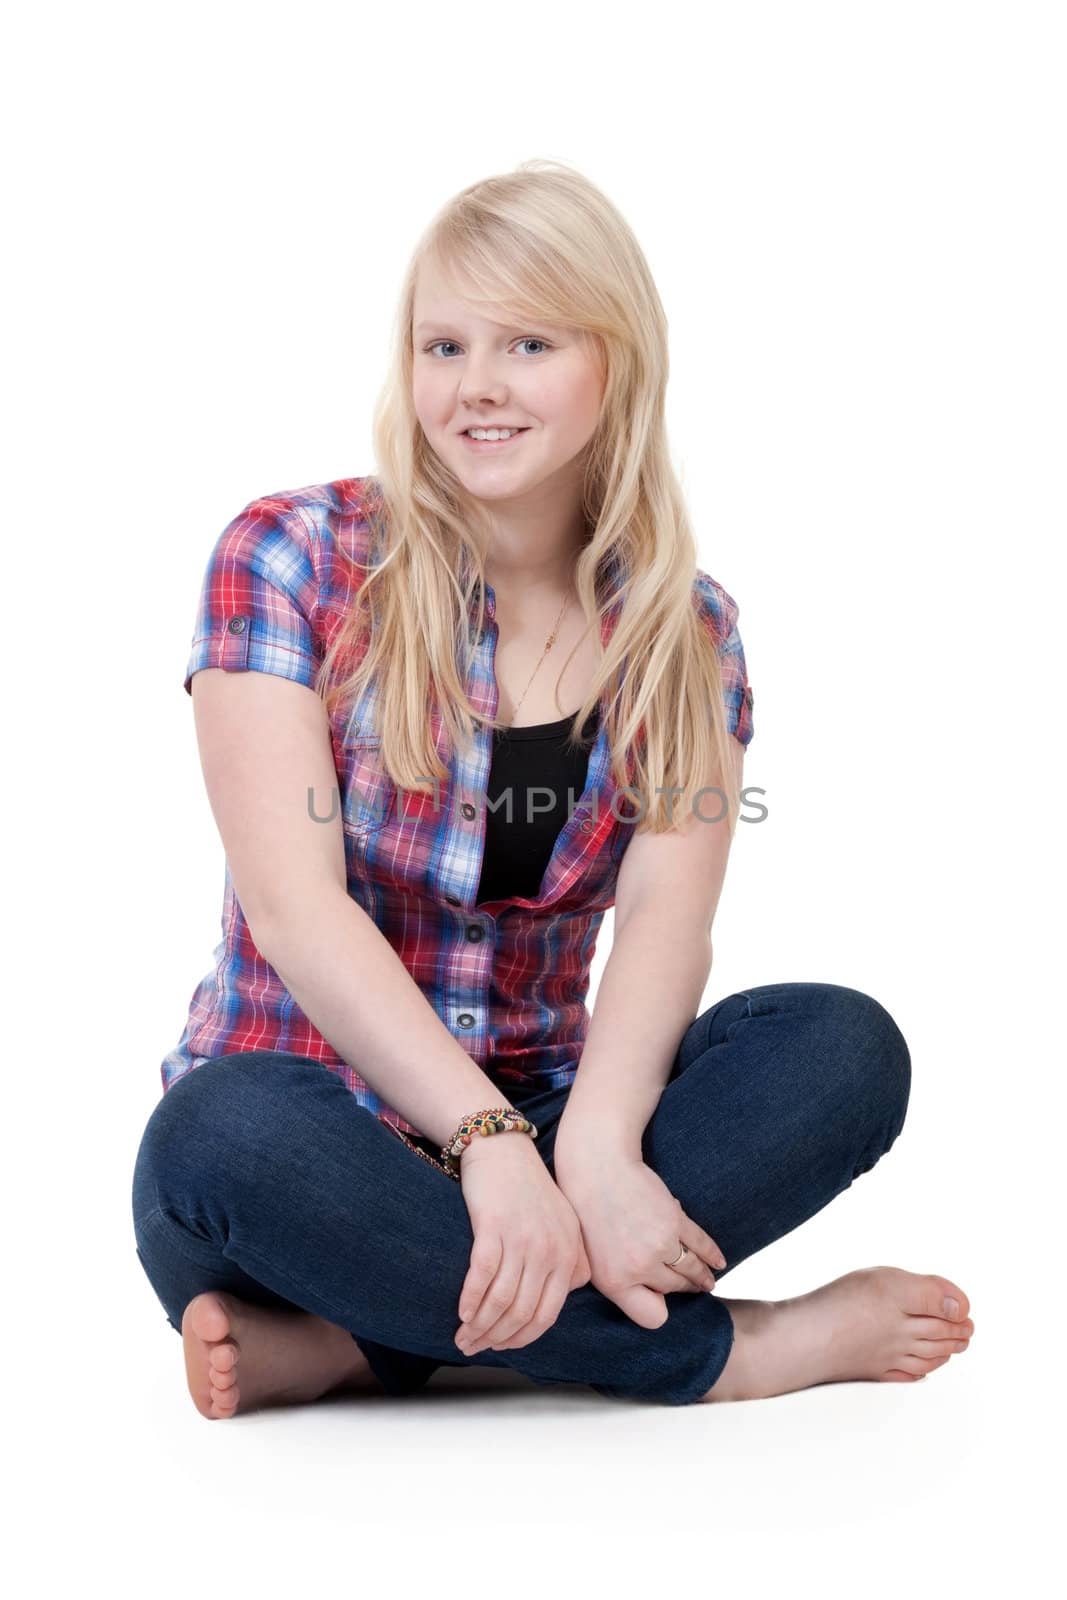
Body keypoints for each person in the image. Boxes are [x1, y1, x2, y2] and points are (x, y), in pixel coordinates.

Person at [132, 160, 973, 1420]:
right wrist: (488, 1150)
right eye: (444, 344)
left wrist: (583, 1144)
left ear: (615, 364)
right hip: (313, 1158)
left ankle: (364, 1349)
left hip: (555, 1121)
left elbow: (665, 930)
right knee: (218, 1133)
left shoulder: (686, 633)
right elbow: (299, 912)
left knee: (841, 1047)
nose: (474, 385)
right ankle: (734, 1350)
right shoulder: (289, 555)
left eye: (527, 341)